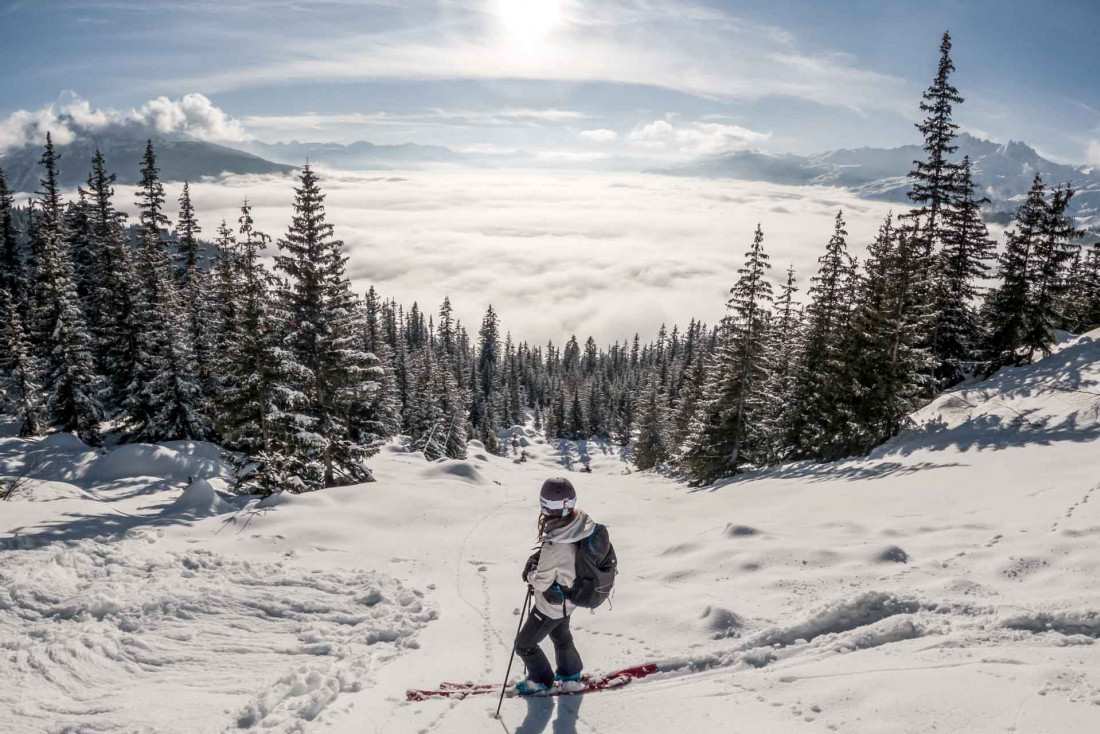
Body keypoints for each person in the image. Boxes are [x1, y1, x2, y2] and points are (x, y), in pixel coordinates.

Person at [514, 477, 596, 695]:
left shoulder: (555, 544)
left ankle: (541, 681)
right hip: (570, 599)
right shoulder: (580, 524)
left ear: (544, 506)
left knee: (524, 645)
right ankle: (570, 673)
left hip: (551, 605)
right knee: (561, 636)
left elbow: (541, 581)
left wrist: (531, 572)